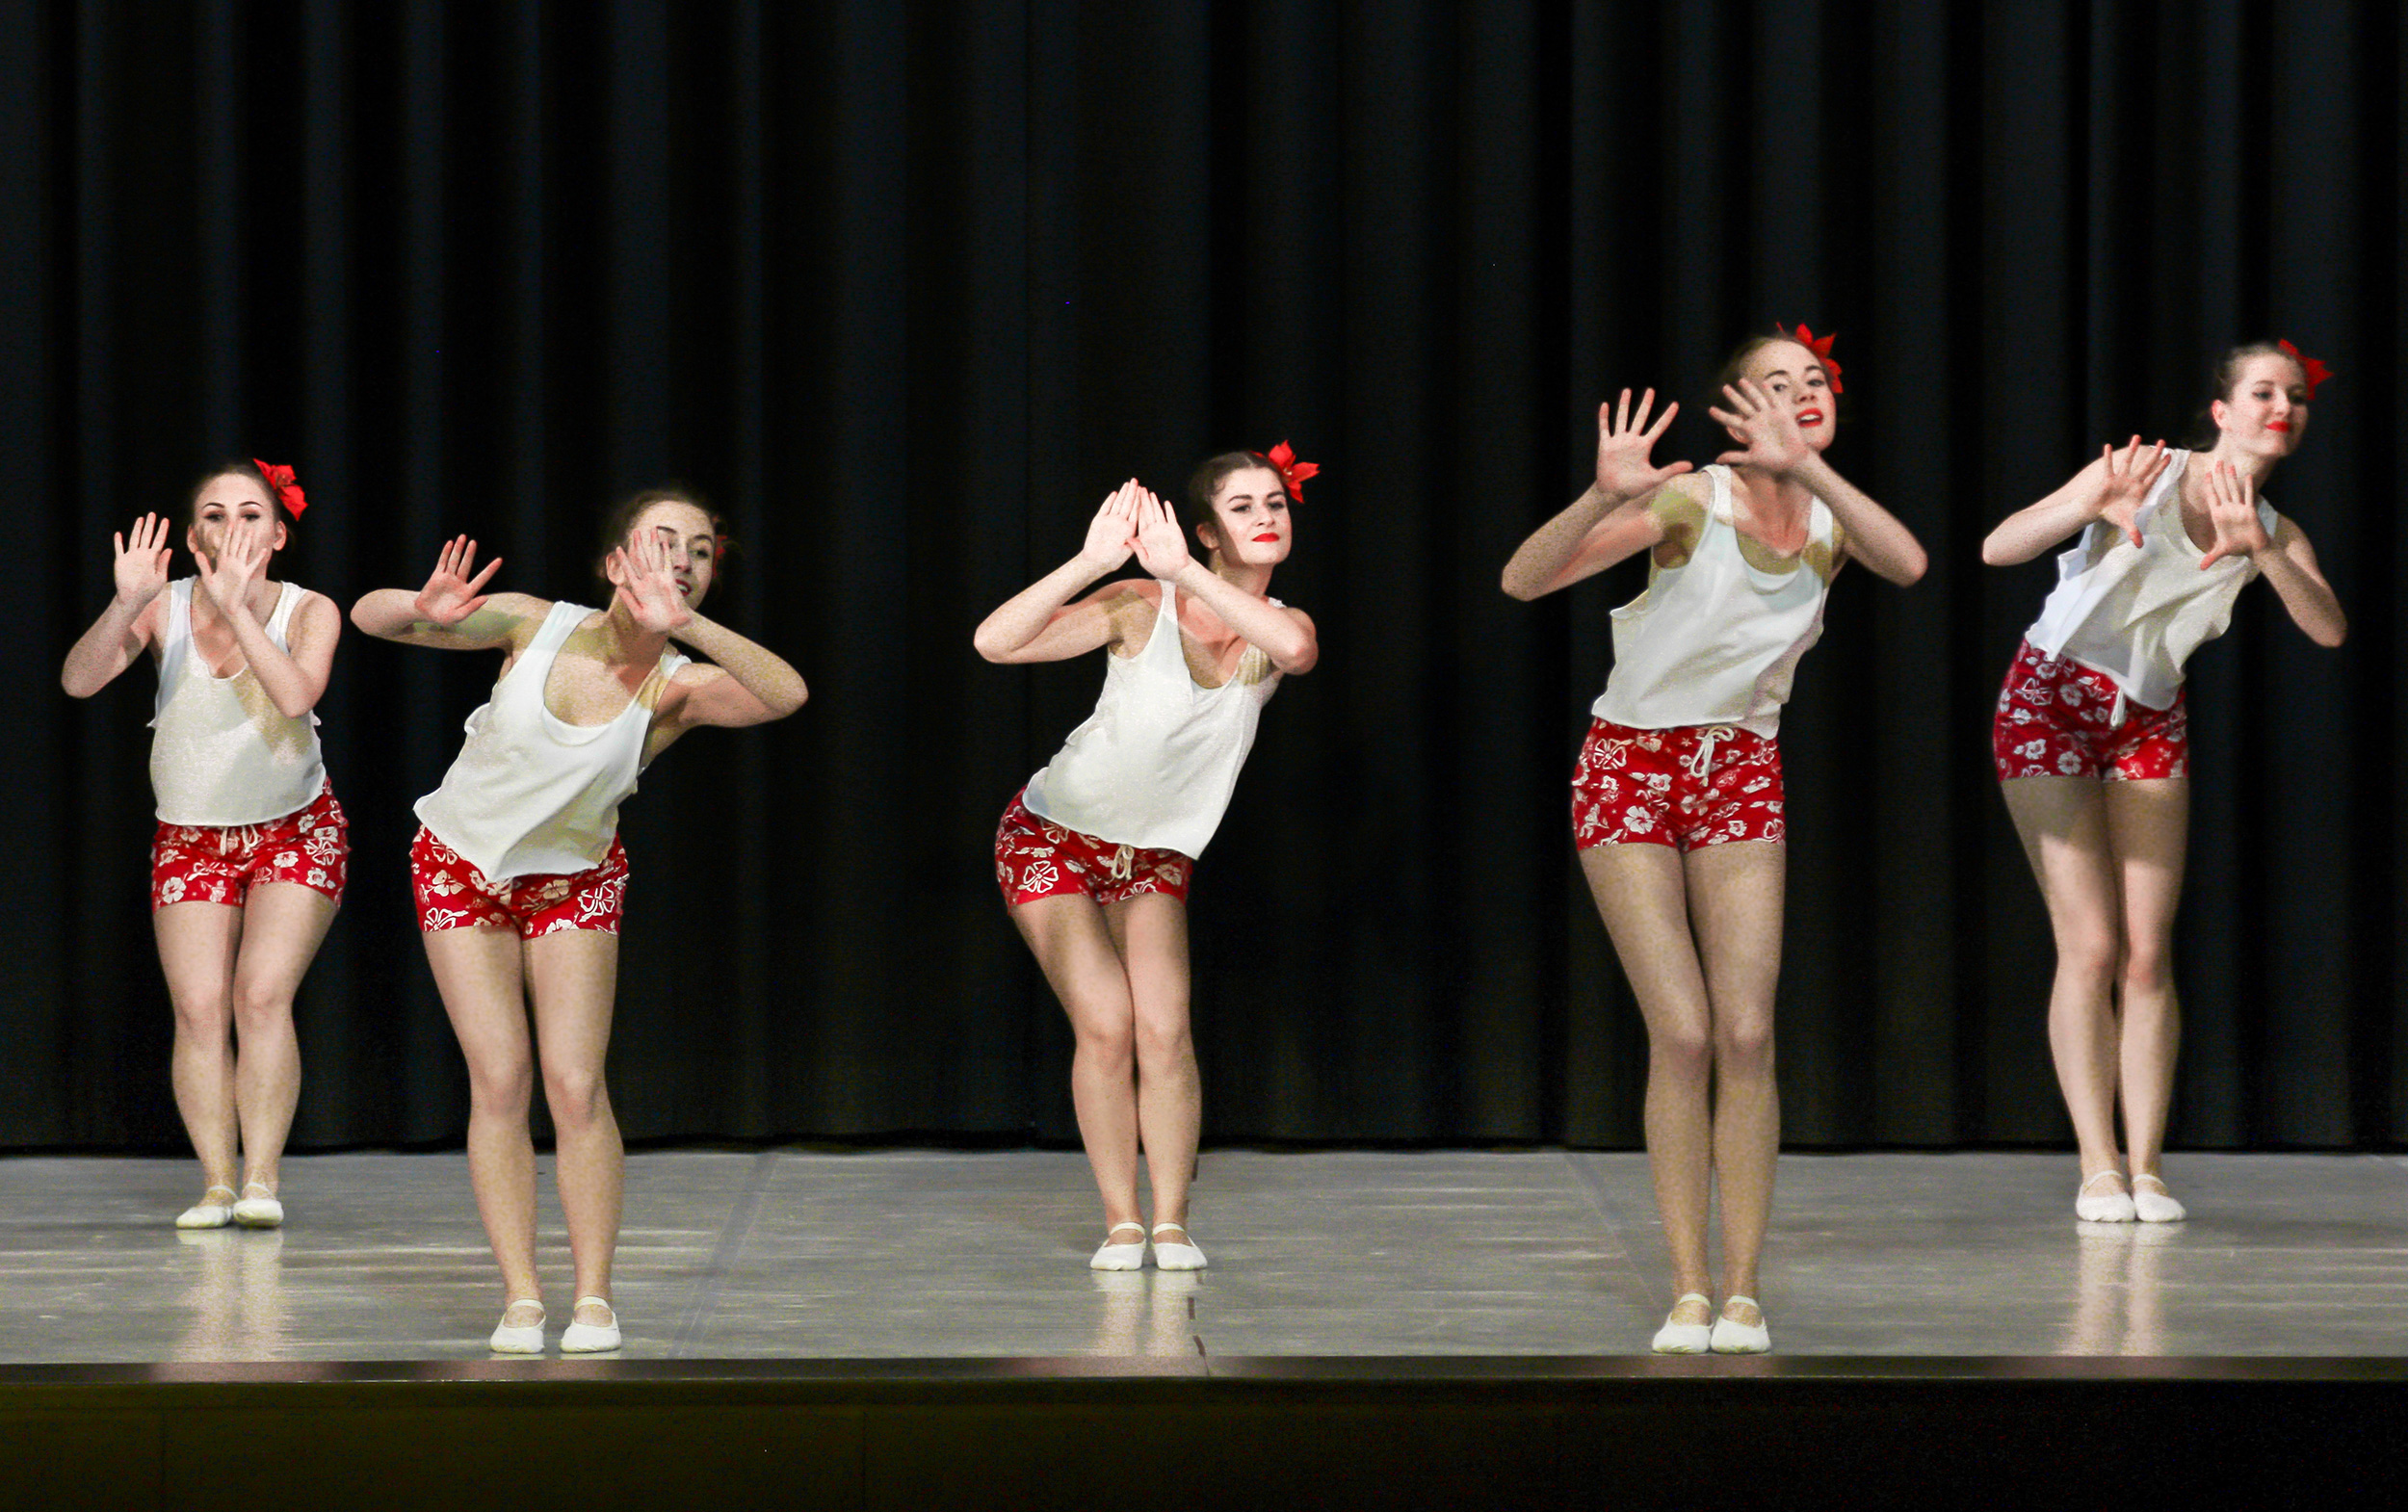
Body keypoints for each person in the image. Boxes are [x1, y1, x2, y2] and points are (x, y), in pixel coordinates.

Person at [1502, 329, 1927, 1353]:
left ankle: (1742, 1289)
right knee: (1685, 1033)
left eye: (1814, 382)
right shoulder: (1693, 502)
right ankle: (1687, 1287)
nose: (1801, 395)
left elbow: (1909, 564)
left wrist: (1809, 467)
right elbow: (1524, 580)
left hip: (1739, 765)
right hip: (1631, 765)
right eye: (1775, 384)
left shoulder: (1831, 516)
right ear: (1735, 408)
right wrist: (1602, 495)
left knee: (1745, 1034)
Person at [352, 490, 805, 1353]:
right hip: (459, 866)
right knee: (500, 1080)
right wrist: (420, 607)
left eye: (699, 551)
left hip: (573, 882)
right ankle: (522, 1296)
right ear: (613, 563)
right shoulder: (534, 624)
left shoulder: (678, 687)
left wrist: (688, 626)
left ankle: (593, 1297)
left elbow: (785, 694)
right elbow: (369, 617)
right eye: (662, 542)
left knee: (574, 1085)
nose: (681, 561)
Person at [1982, 341, 2345, 1225]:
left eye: (2296, 397)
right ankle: (2097, 1166)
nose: (2283, 408)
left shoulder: (2276, 527)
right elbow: (1998, 547)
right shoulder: (2148, 473)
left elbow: (2329, 629)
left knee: (2148, 951)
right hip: (2049, 696)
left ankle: (2146, 1166)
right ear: (2222, 411)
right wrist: (2085, 502)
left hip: (2148, 713)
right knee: (2091, 945)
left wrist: (2263, 552)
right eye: (2264, 392)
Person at [975, 447, 1321, 1271]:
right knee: (1107, 1024)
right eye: (1242, 507)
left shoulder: (1283, 627)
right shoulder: (1141, 603)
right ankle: (1121, 1220)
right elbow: (996, 643)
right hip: (1052, 836)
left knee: (1165, 1030)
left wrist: (1189, 574)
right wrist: (1094, 561)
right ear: (1206, 532)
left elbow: (1295, 651)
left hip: (1154, 859)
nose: (1266, 517)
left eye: (1274, 503)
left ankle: (1170, 1221)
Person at [62, 459, 346, 1232]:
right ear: (193, 538)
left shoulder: (311, 609)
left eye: (251, 514)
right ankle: (218, 1183)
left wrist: (238, 608)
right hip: (191, 832)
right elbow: (79, 681)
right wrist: (127, 603)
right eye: (214, 515)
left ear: (278, 535)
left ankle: (261, 1180)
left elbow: (296, 695)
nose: (233, 528)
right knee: (197, 1007)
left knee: (261, 994)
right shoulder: (166, 606)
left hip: (295, 827)